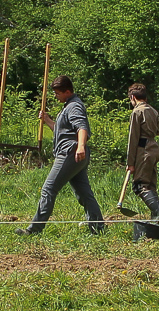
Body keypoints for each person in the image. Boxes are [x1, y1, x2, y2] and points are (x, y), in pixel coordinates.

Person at [20, 76, 105, 236]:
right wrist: (47, 120)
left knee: (48, 189)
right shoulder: (68, 106)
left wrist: (80, 146)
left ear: (67, 91)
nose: (55, 96)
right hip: (75, 155)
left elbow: (82, 127)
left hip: (70, 153)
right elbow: (63, 132)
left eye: (58, 93)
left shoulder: (74, 106)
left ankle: (34, 230)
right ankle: (98, 228)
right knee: (84, 193)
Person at [124, 83, 159, 220]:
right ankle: (156, 216)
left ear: (133, 97)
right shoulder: (153, 111)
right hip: (154, 148)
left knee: (140, 185)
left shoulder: (137, 112)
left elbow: (133, 138)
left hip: (144, 149)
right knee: (151, 185)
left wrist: (130, 162)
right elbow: (158, 131)